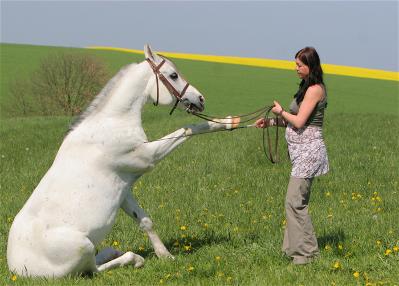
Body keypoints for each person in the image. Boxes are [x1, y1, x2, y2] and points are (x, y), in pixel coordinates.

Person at [255, 47, 329, 265]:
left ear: (310, 65)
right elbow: (294, 119)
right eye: (295, 64)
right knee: (296, 201)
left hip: (309, 151)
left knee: (294, 202)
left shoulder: (315, 89)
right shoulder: (305, 87)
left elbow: (298, 122)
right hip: (300, 152)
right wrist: (270, 122)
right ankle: (292, 250)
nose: (295, 68)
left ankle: (307, 254)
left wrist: (280, 112)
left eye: (299, 65)